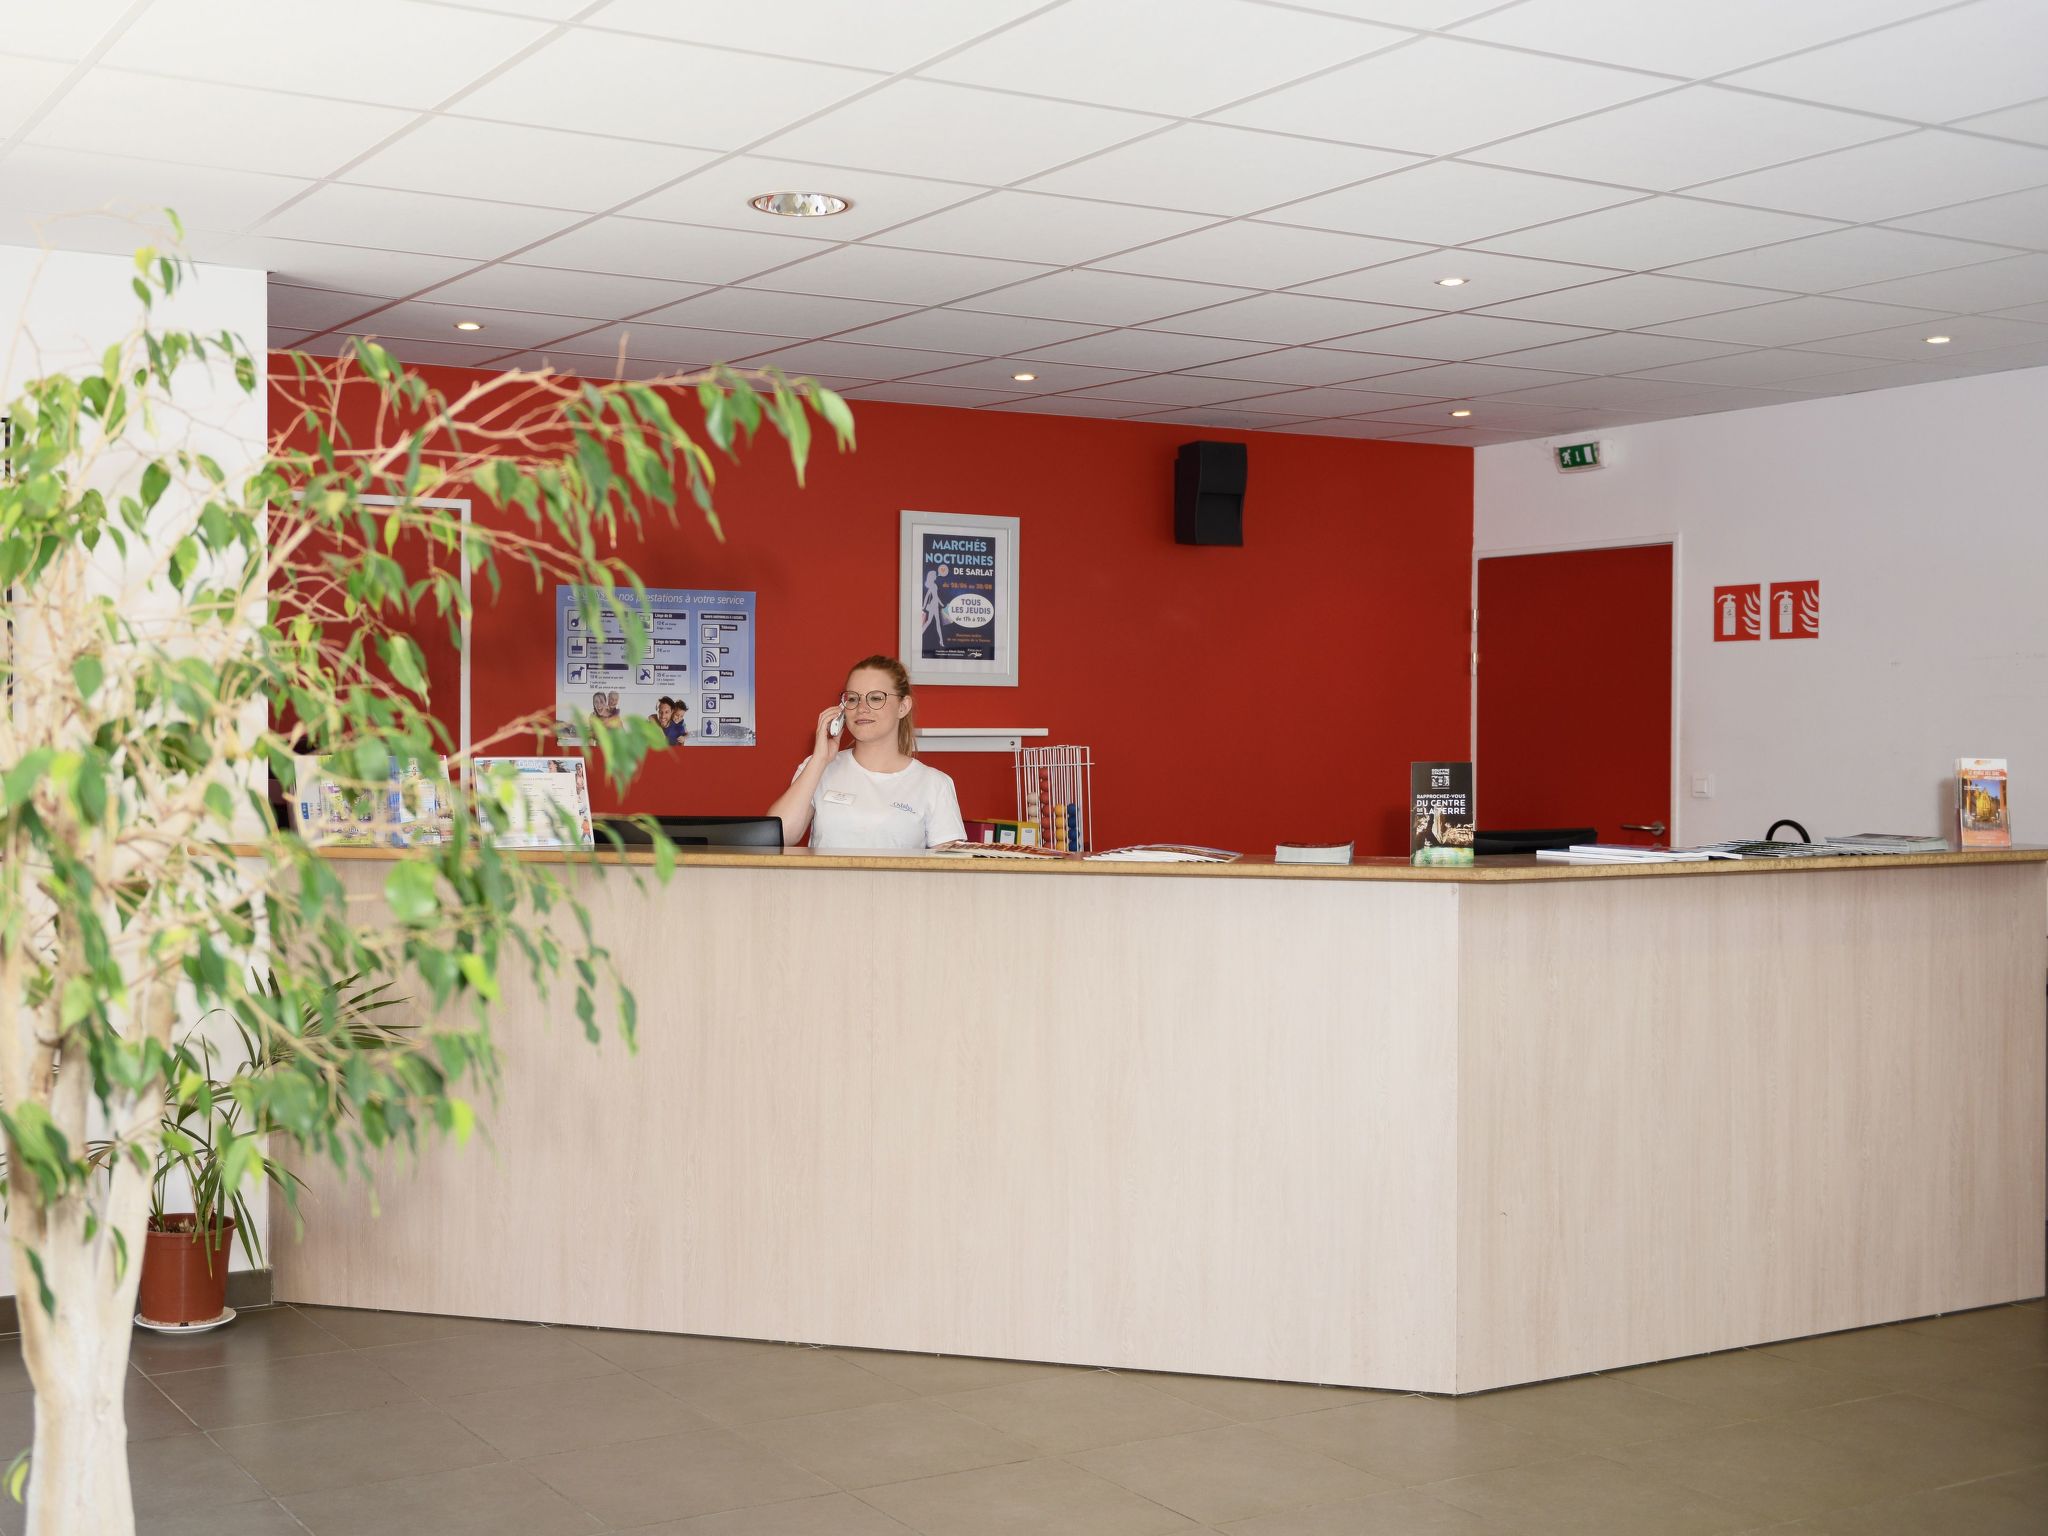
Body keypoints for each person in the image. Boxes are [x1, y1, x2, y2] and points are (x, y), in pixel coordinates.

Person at [768, 654, 965, 851]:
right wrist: (820, 760)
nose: (862, 708)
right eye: (853, 698)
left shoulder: (933, 784)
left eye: (876, 698)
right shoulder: (818, 768)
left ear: (903, 707)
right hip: (824, 883)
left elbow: (951, 871)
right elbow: (778, 838)